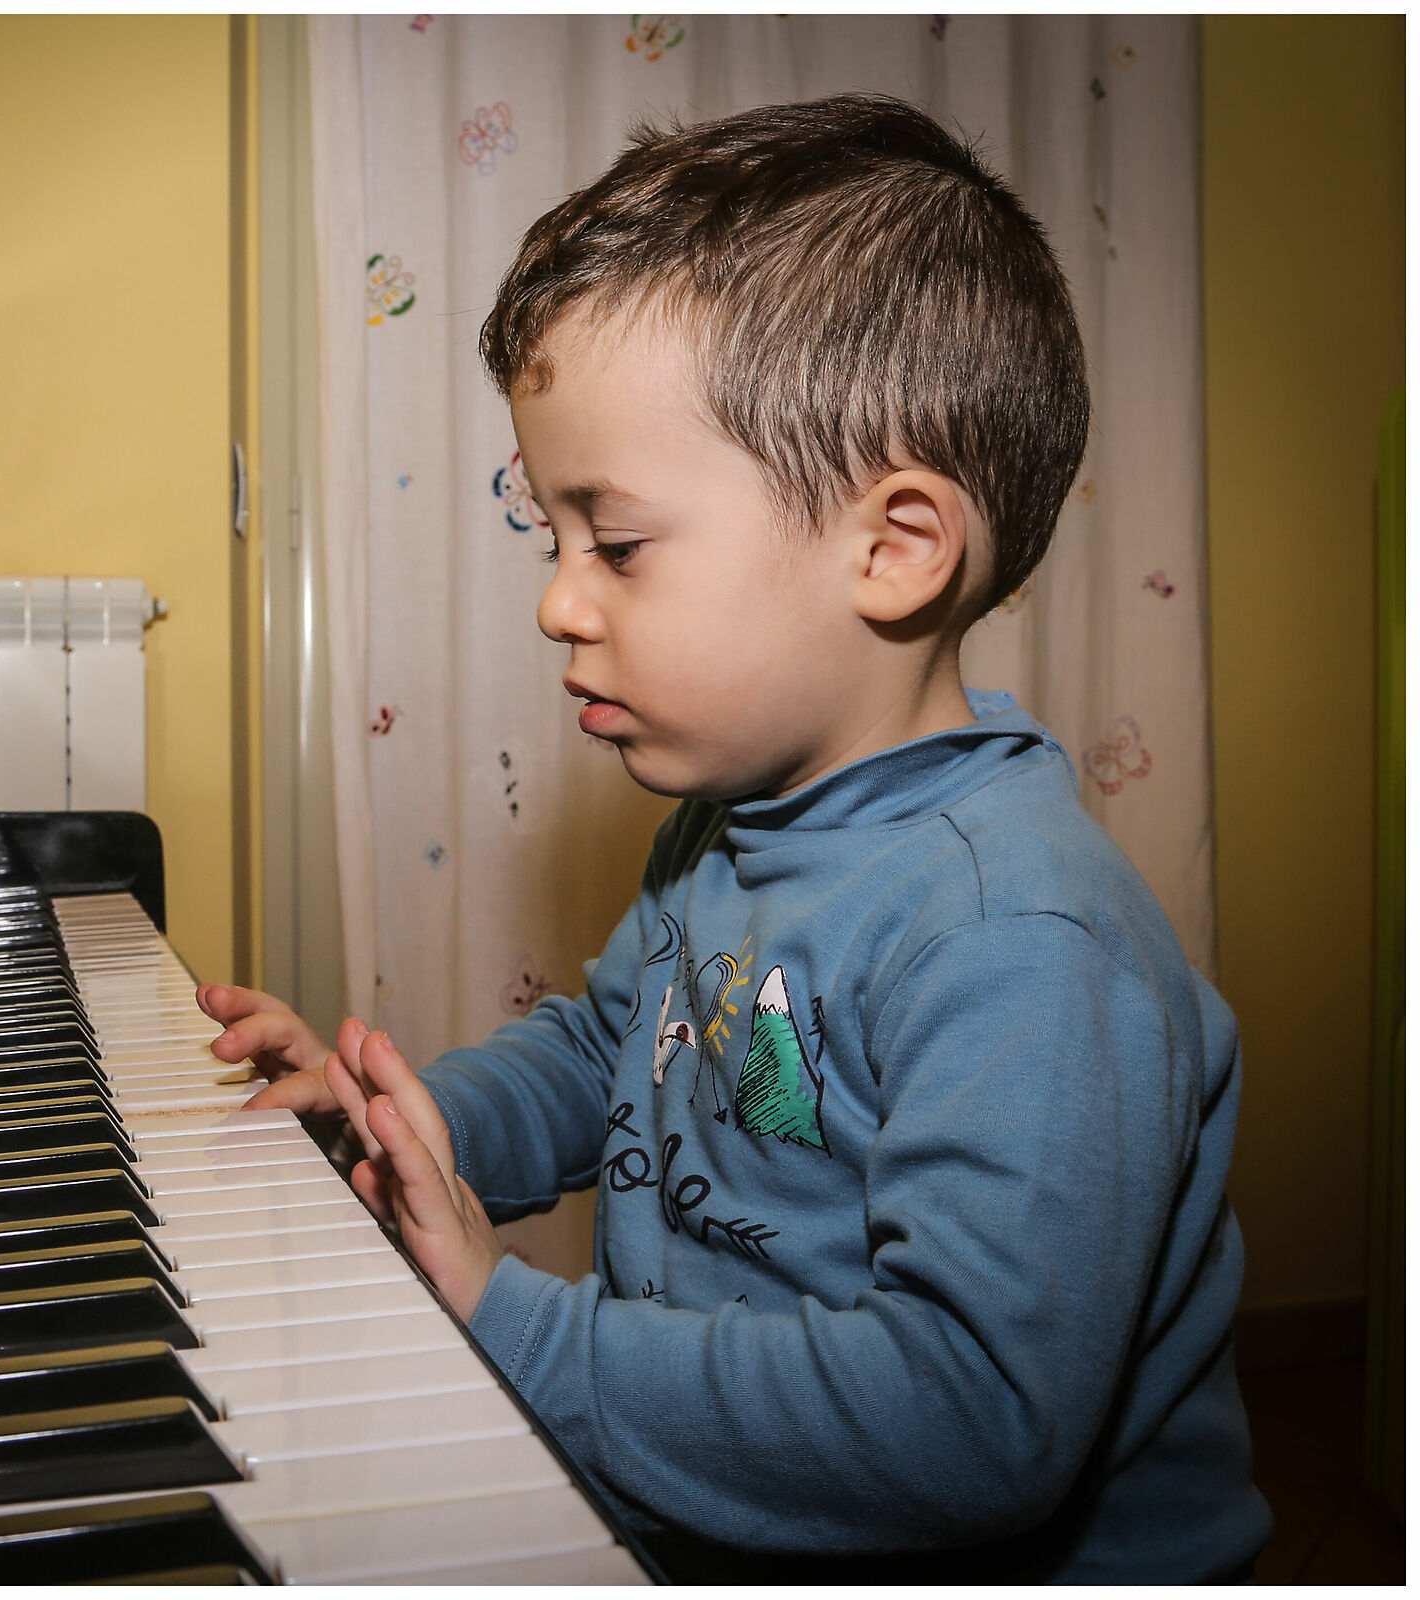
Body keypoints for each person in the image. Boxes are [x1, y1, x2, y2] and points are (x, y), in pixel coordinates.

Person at [197, 94, 1269, 1583]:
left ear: (892, 549)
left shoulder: (1025, 945)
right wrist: (401, 1135)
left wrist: (514, 1323)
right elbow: (611, 1053)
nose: (560, 603)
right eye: (552, 540)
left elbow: (970, 1425)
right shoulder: (726, 828)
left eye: (616, 543)